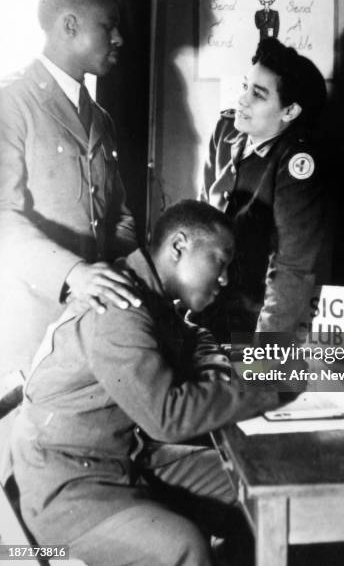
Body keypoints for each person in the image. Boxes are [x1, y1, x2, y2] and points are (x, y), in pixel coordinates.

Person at [11, 200, 289, 566]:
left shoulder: (149, 290)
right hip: (70, 485)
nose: (224, 279)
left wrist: (234, 366)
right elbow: (168, 417)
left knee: (261, 495)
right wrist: (275, 387)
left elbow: (192, 335)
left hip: (124, 458)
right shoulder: (121, 303)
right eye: (220, 262)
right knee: (185, 547)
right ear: (179, 247)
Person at [0, 0, 140, 377]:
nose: (118, 39)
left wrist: (120, 278)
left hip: (93, 323)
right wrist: (74, 274)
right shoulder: (11, 103)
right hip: (27, 327)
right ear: (69, 25)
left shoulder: (101, 119)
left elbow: (120, 215)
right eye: (108, 26)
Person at [200, 38, 327, 340]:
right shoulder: (225, 130)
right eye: (246, 86)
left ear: (290, 111)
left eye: (258, 94)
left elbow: (292, 270)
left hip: (256, 319)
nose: (242, 100)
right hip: (207, 302)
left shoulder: (298, 164)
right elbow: (201, 220)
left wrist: (262, 358)